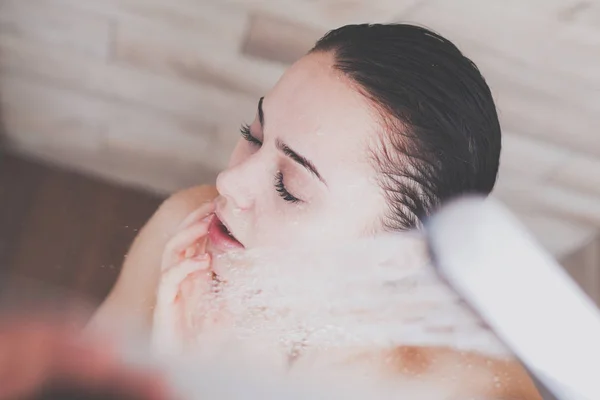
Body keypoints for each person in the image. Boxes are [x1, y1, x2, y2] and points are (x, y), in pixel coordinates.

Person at [90, 24, 541, 399]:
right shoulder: (187, 230)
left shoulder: (468, 389)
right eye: (254, 133)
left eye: (289, 189)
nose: (230, 183)